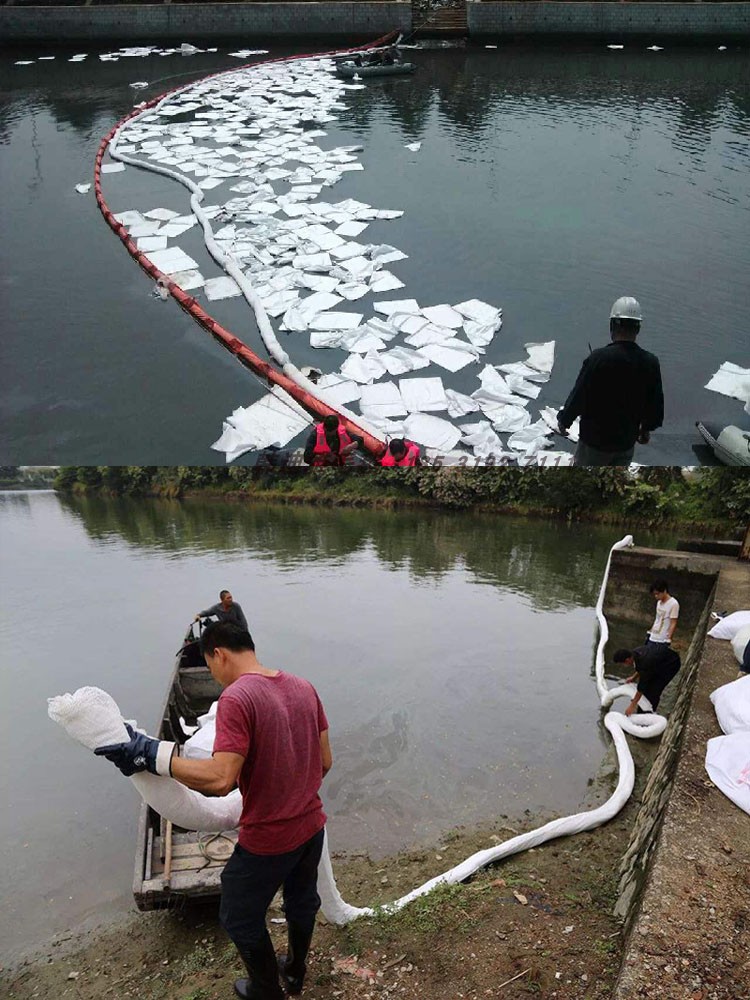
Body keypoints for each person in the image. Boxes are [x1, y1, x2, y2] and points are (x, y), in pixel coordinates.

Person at [95, 622, 332, 1000]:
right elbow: (324, 762)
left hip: (269, 837)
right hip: (311, 827)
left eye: (210, 665)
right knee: (302, 901)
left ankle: (266, 990)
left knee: (237, 914)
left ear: (218, 654)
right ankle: (295, 970)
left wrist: (154, 756)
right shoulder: (304, 687)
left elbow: (221, 779)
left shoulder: (239, 698)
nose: (215, 676)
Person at [557, 296, 664, 466]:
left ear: (613, 325)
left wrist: (564, 420)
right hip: (625, 443)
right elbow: (655, 404)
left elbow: (579, 395)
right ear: (638, 328)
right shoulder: (650, 362)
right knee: (615, 486)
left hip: (594, 443)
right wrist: (646, 429)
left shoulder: (598, 358)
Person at [614, 644, 681, 716]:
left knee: (654, 689)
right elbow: (641, 668)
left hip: (671, 664)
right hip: (660, 660)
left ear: (627, 660)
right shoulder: (636, 653)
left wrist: (632, 706)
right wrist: (633, 677)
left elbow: (642, 686)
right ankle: (642, 710)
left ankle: (650, 712)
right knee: (648, 687)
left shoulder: (644, 662)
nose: (623, 666)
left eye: (622, 664)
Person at [646, 579, 679, 647]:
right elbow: (657, 619)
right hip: (653, 636)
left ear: (664, 591)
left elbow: (673, 622)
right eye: (654, 594)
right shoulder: (659, 603)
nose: (656, 596)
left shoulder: (673, 604)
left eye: (658, 594)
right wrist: (650, 631)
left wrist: (668, 639)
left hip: (661, 639)